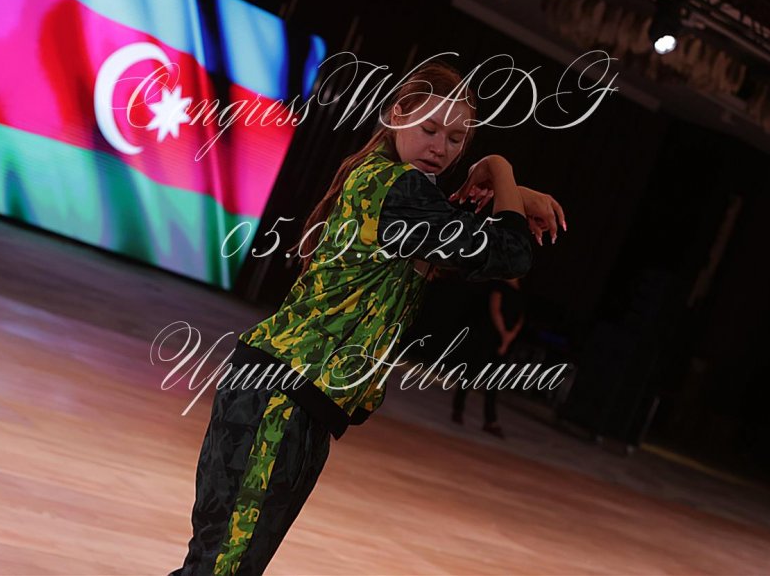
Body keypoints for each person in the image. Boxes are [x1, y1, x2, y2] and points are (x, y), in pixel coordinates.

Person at [168, 60, 566, 575]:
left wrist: (509, 195)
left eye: (456, 139)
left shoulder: (386, 183)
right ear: (397, 114)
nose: (440, 147)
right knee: (222, 567)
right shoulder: (398, 188)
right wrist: (500, 167)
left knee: (220, 564)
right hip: (282, 399)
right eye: (428, 129)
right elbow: (508, 253)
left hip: (290, 398)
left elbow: (448, 236)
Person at [451, 277, 527, 438]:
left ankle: (490, 421)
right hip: (488, 337)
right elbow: (495, 309)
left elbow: (520, 319)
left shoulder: (520, 293)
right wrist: (504, 334)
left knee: (494, 381)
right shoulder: (499, 285)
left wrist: (508, 338)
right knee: (471, 373)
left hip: (504, 341)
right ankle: (458, 409)